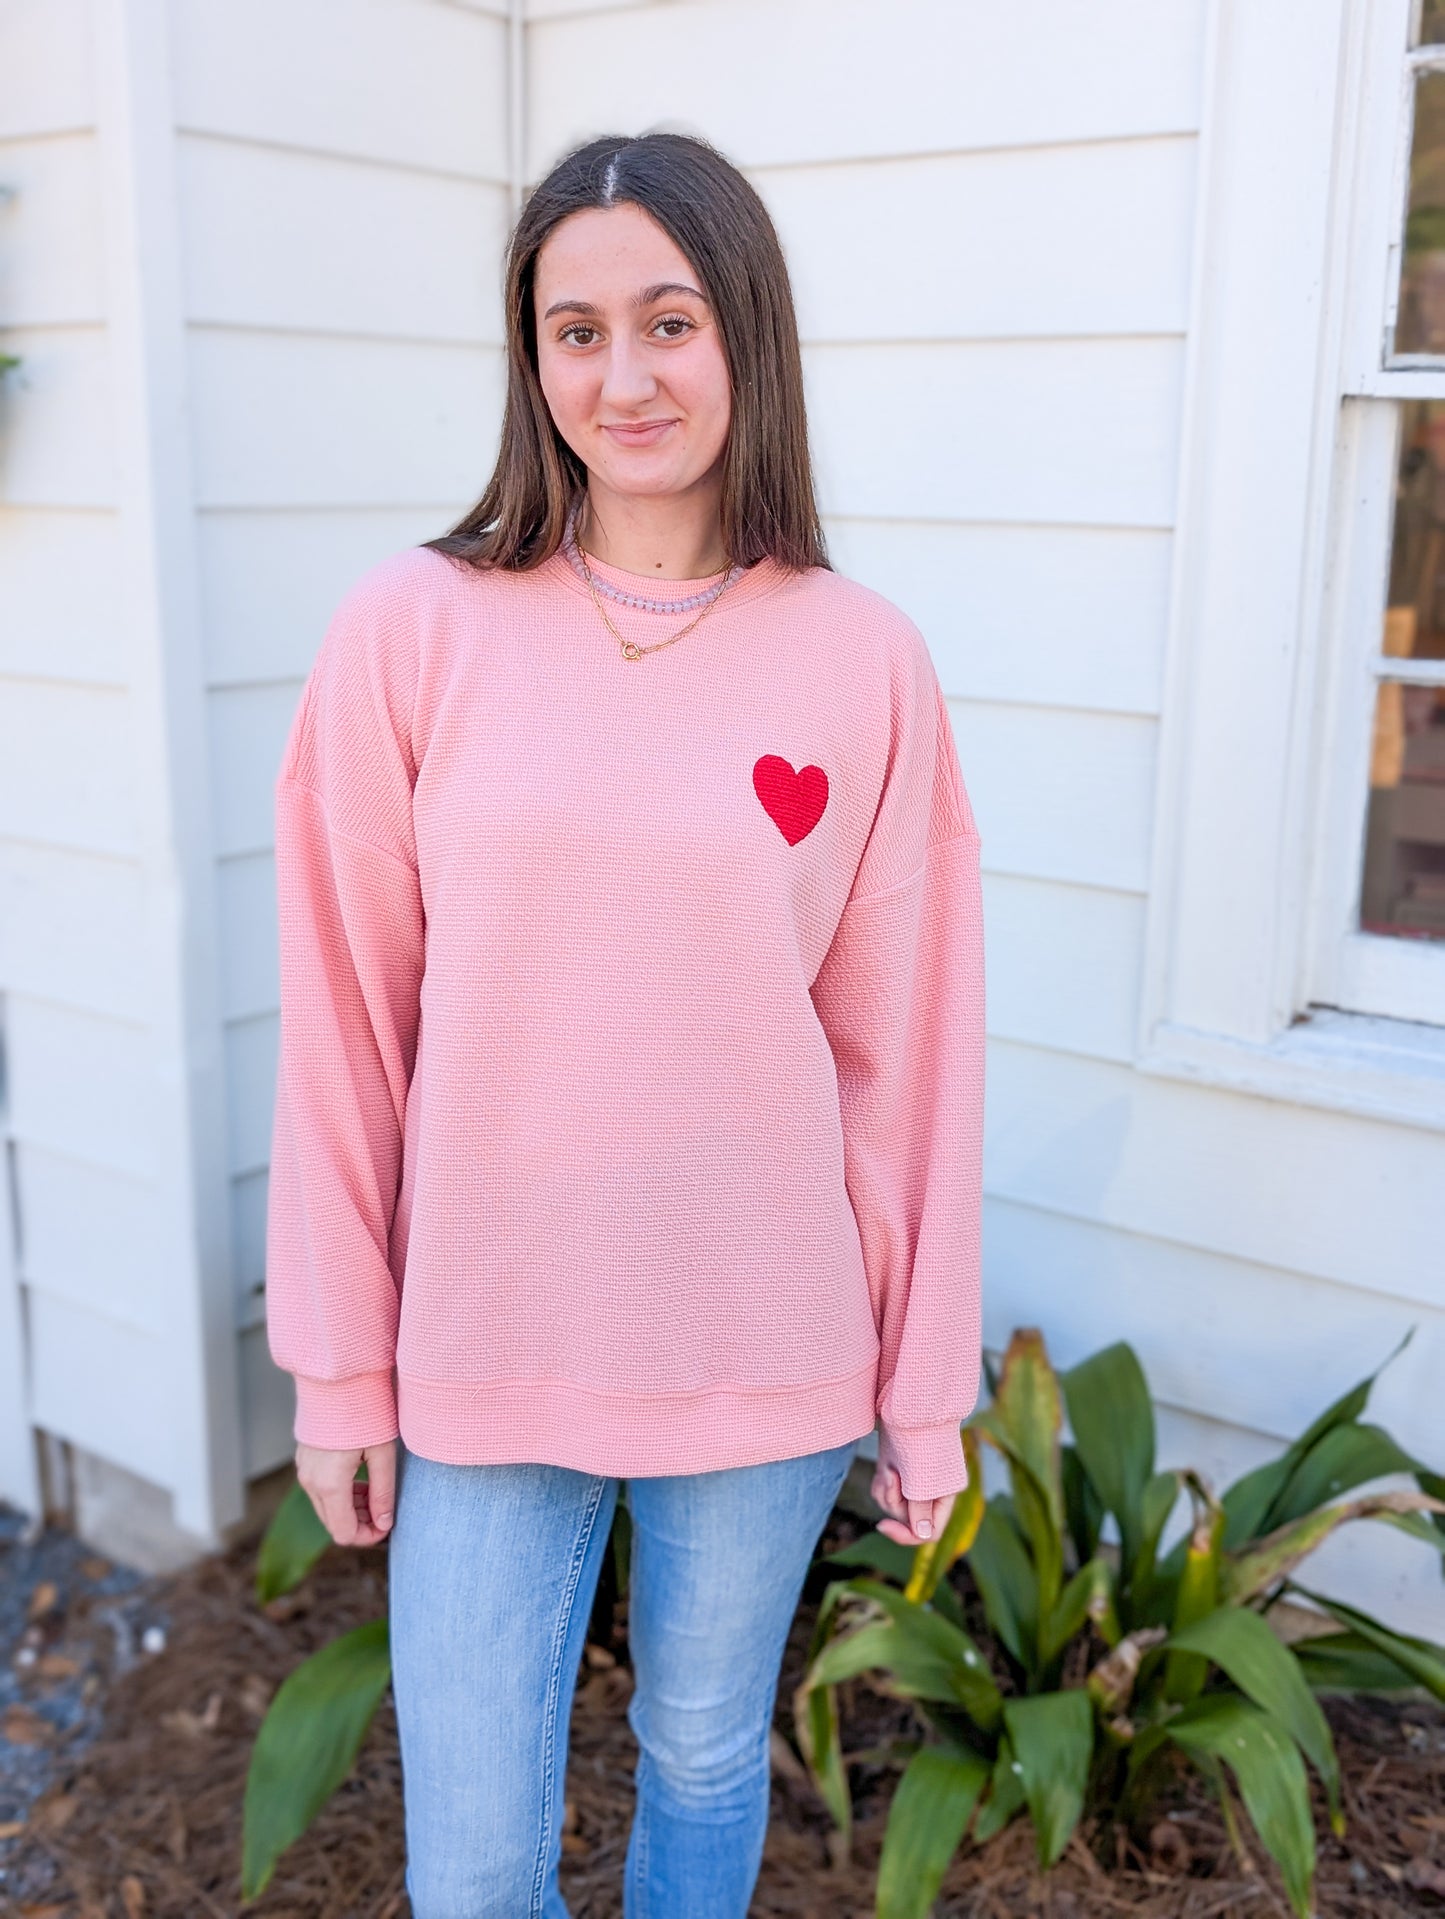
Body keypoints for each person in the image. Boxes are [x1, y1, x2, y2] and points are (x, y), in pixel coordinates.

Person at [264, 128, 986, 1919]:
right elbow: (347, 1019)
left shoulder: (862, 654)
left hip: (757, 1331)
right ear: (530, 362)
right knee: (479, 1859)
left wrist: (920, 1391)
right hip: (489, 1336)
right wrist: (340, 1362)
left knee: (703, 1760)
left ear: (744, 330)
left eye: (667, 320)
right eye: (572, 331)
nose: (623, 375)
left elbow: (908, 1059)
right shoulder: (411, 630)